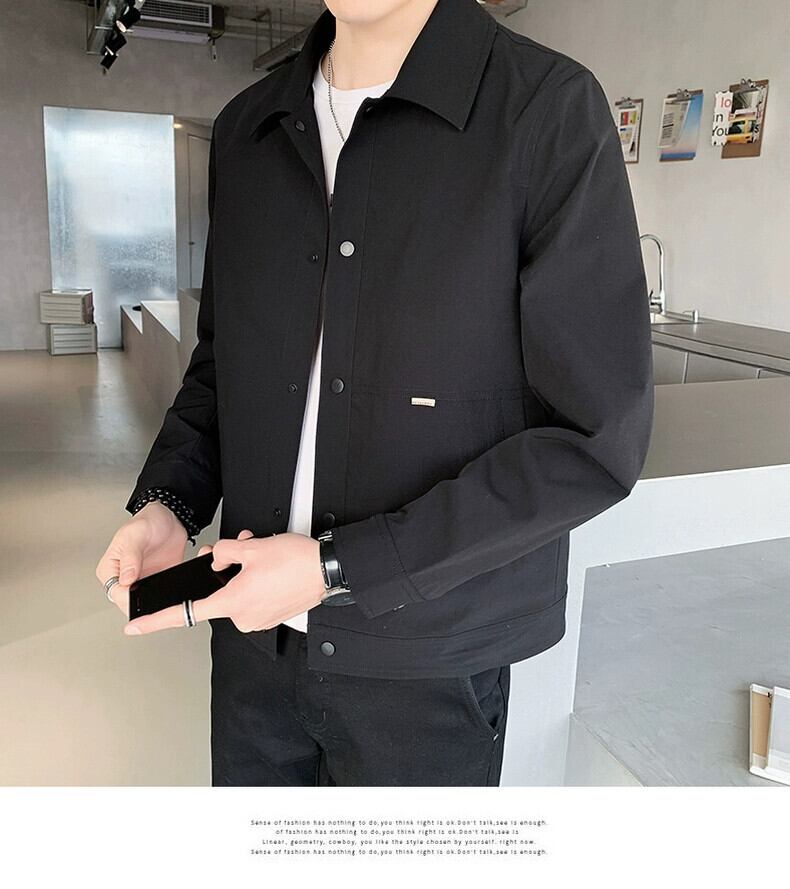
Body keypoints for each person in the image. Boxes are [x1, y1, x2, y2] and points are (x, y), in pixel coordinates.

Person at [95, 0, 654, 786]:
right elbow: (225, 365)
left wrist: (335, 567)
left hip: (425, 665)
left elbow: (594, 439)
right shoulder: (248, 129)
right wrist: (169, 505)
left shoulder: (544, 111)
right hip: (253, 650)